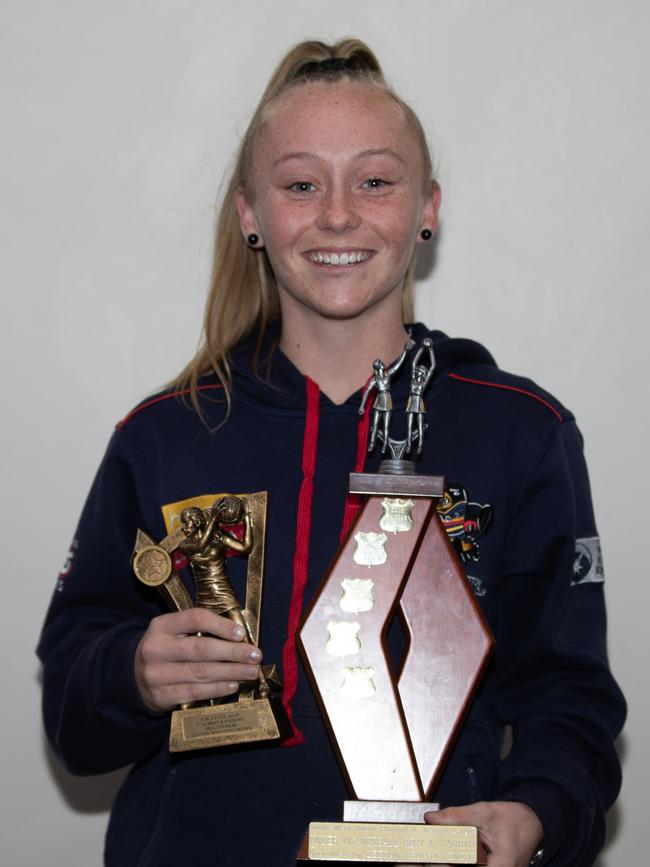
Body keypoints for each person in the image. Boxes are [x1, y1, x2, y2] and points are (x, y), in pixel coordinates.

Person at [37, 38, 625, 867]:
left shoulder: (523, 432)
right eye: (301, 184)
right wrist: (126, 671)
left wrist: (536, 811)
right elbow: (70, 710)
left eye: (375, 181)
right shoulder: (161, 436)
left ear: (428, 206)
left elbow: (569, 700)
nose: (339, 214)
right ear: (250, 213)